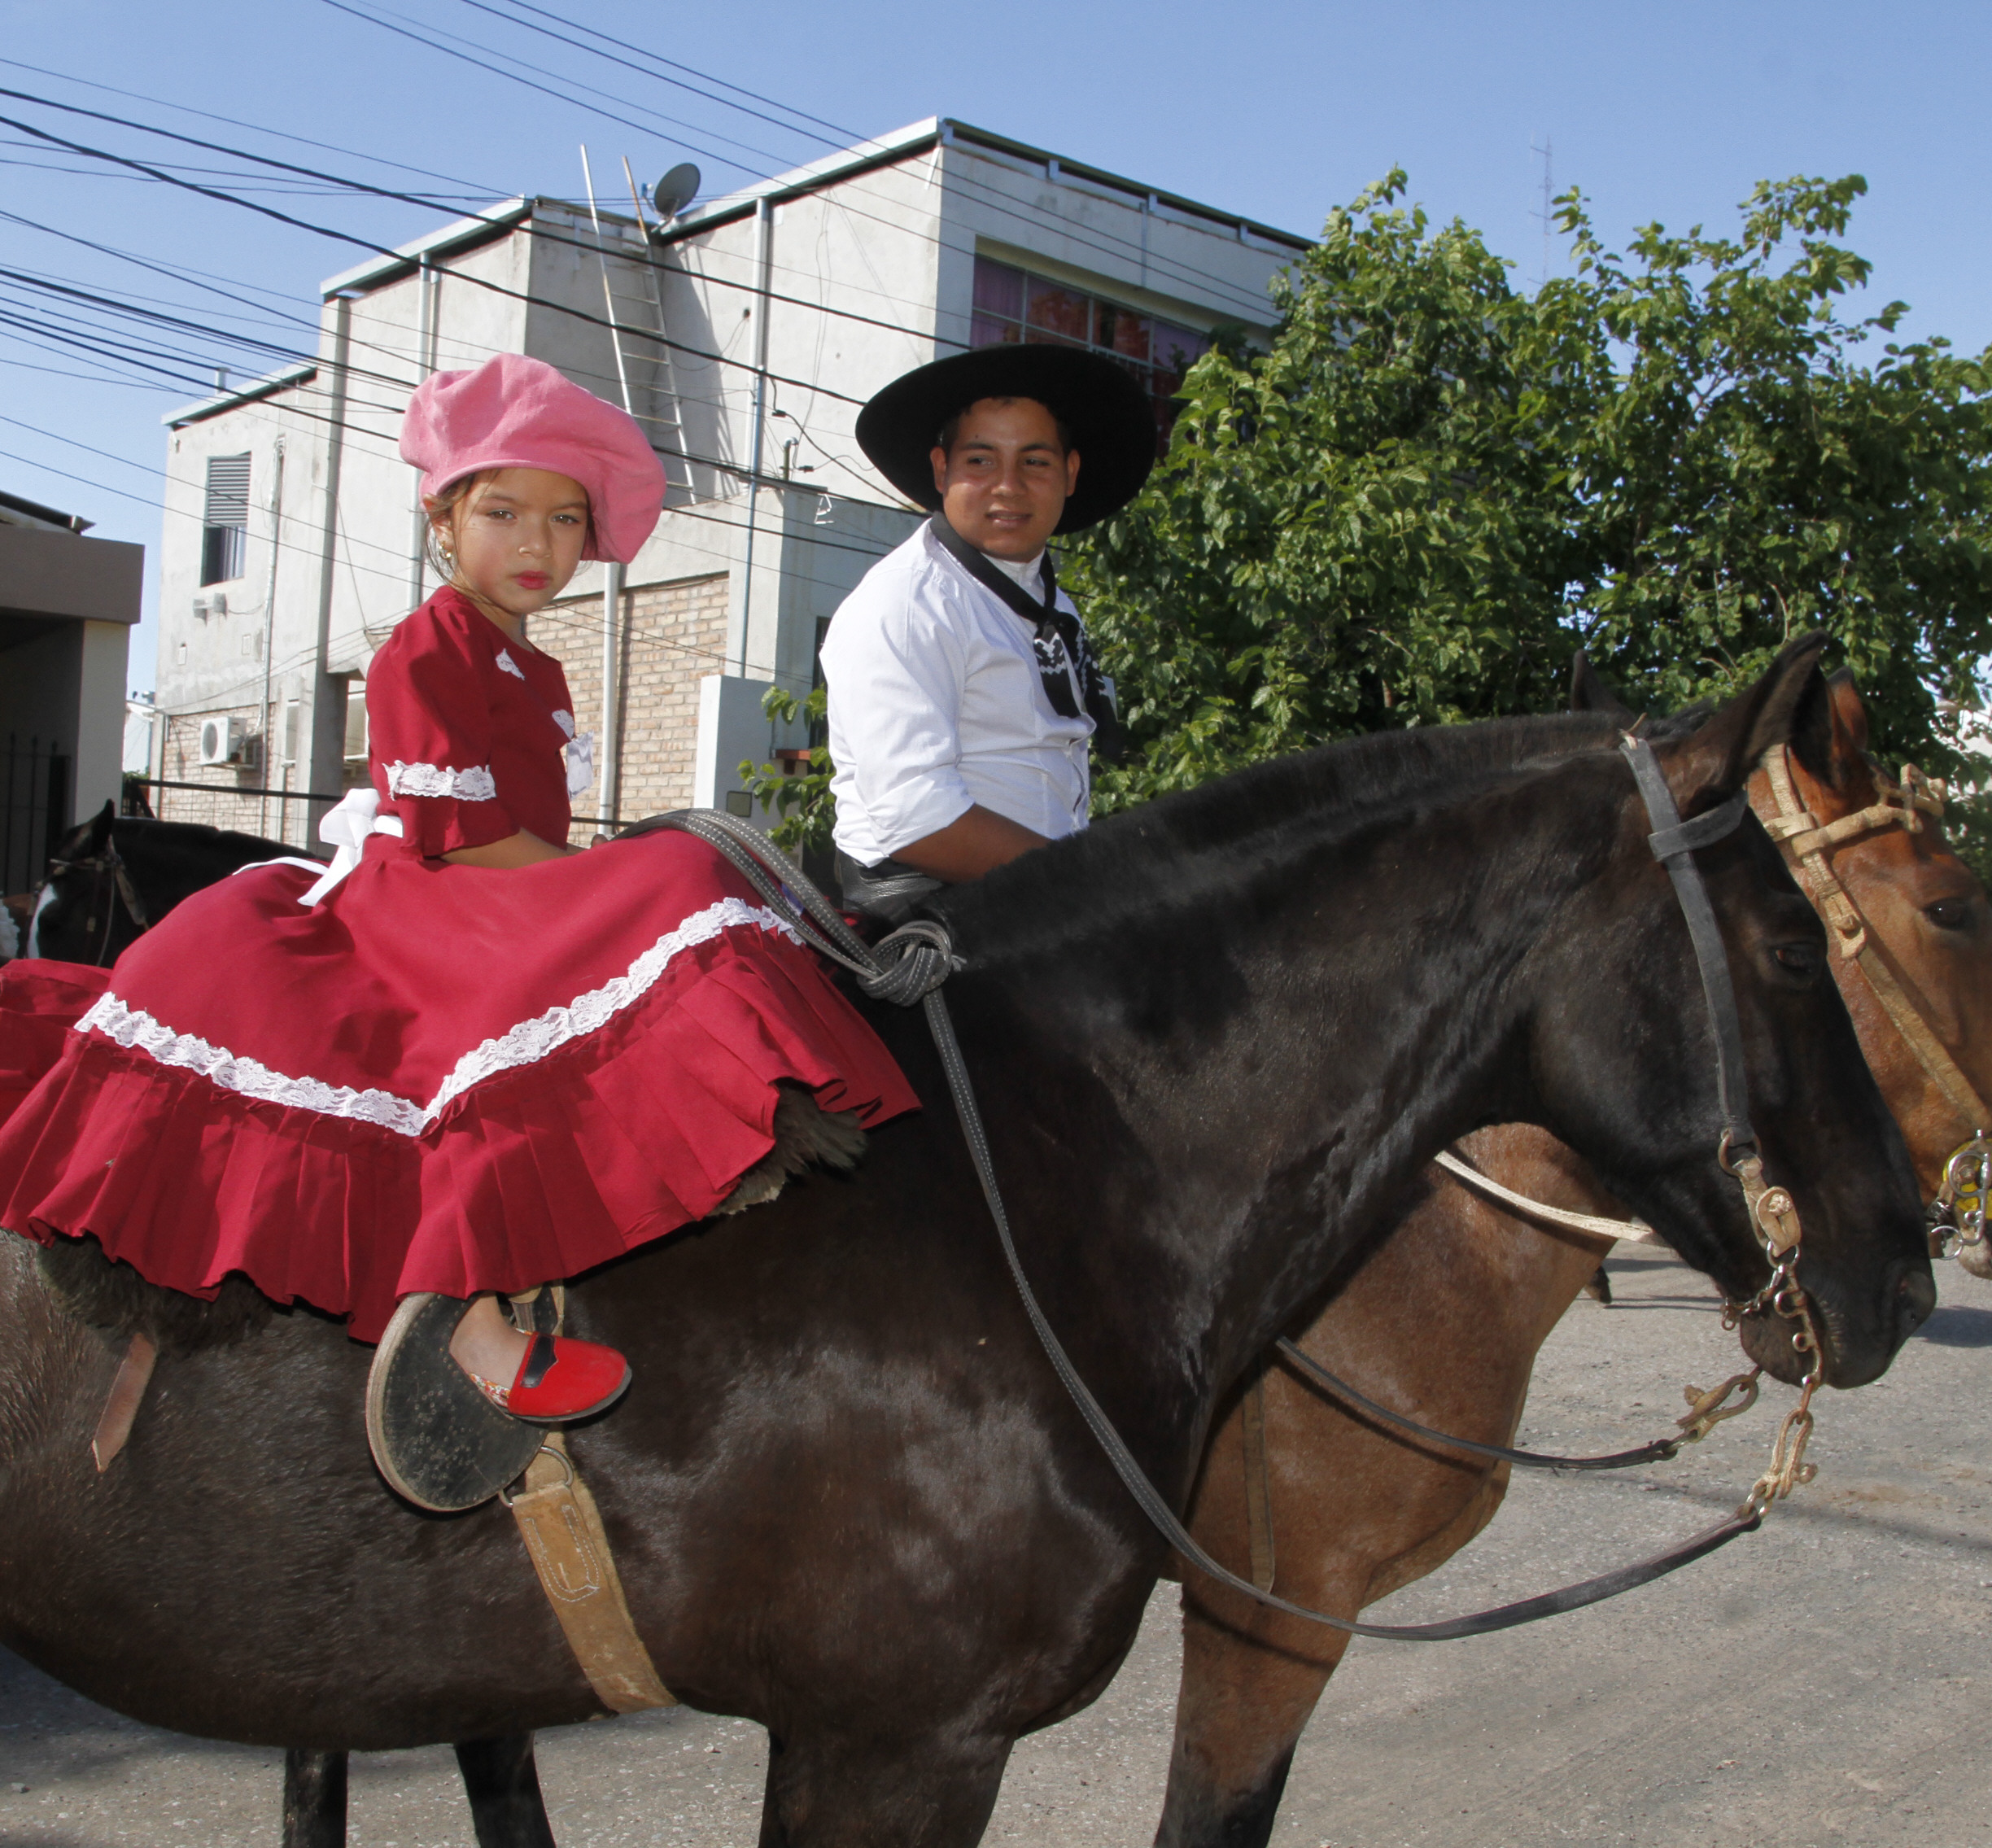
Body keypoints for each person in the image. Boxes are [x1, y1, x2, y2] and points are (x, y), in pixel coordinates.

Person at [0, 354, 916, 1497]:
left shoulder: (531, 663)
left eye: (563, 518)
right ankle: (467, 1318)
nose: (535, 542)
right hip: (429, 887)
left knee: (680, 883)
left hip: (489, 878)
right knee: (670, 885)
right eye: (502, 511)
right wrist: (599, 890)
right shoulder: (427, 644)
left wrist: (594, 883)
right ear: (443, 521)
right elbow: (462, 837)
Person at [822, 344, 1157, 915]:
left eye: (1035, 461)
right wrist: (1093, 882)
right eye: (980, 461)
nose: (1008, 485)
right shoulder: (907, 604)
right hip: (934, 910)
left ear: (1069, 473)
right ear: (940, 469)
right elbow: (916, 820)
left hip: (1040, 900)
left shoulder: (1055, 605)